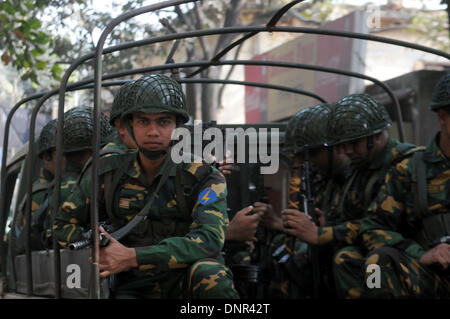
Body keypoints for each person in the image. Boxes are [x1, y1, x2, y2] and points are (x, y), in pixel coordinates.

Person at [54, 73, 238, 299]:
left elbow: (209, 241)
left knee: (211, 275)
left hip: (183, 280)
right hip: (130, 283)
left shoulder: (203, 176)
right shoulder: (107, 171)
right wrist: (98, 243)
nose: (153, 131)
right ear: (129, 125)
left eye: (163, 122)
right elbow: (62, 223)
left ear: (177, 126)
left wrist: (132, 255)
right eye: (143, 121)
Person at [281, 93, 419, 298]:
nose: (347, 151)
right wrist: (326, 224)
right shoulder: (359, 171)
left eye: (353, 143)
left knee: (365, 264)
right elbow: (354, 218)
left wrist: (324, 232)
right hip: (378, 253)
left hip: (404, 255)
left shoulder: (408, 164)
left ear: (378, 136)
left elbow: (375, 224)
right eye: (343, 145)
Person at [333, 72, 450, 298]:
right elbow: (372, 229)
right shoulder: (410, 170)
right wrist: (422, 254)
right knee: (376, 265)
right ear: (443, 116)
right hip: (430, 274)